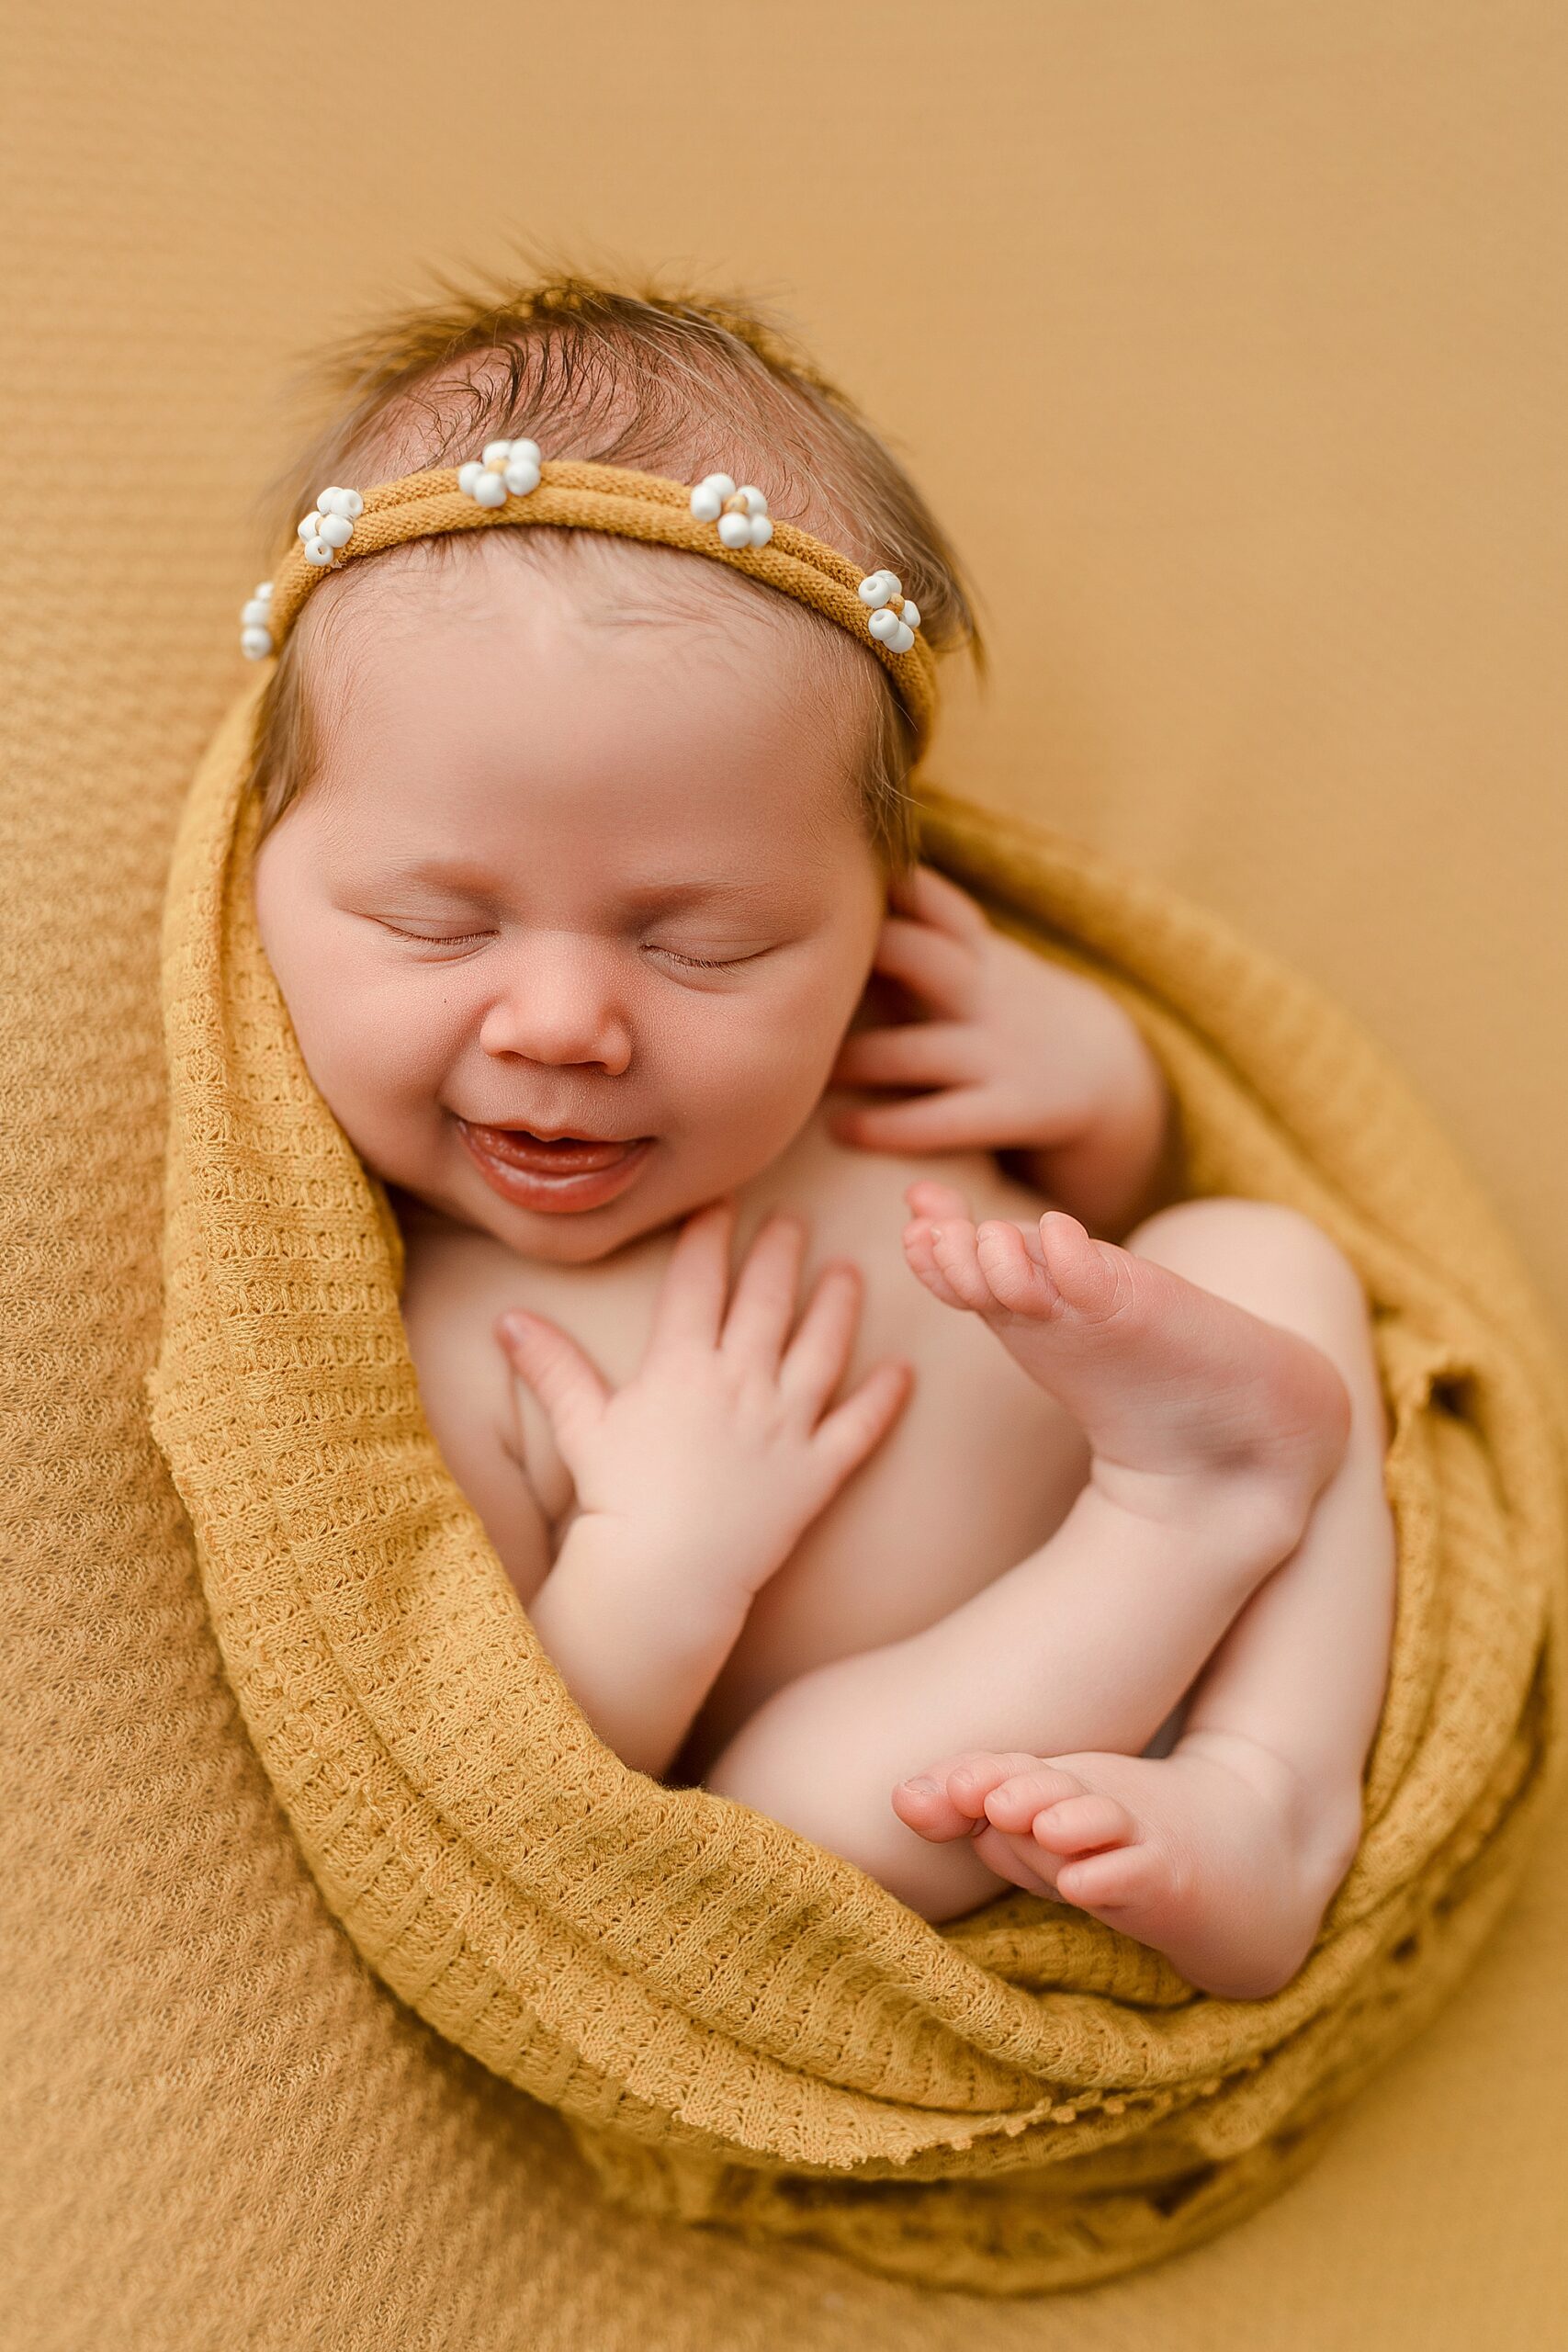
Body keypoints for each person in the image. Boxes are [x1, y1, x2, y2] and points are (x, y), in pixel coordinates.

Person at [248, 274, 1395, 1998]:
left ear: (869, 915)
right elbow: (541, 1796)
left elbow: (1107, 1232)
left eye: (702, 946)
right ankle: (1196, 1513)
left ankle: (1270, 1790)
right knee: (779, 1807)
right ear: (266, 863)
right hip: (937, 1765)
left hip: (1190, 1681)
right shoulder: (453, 1344)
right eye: (440, 925)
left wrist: (1103, 1097)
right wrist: (656, 1568)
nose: (562, 1023)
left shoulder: (868, 1056)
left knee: (1258, 1254)